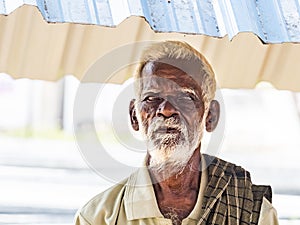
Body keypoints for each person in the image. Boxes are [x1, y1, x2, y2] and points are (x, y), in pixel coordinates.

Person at [74, 41, 279, 225]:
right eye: (152, 98)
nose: (166, 109)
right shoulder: (98, 218)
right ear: (134, 117)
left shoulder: (253, 212)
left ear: (210, 117)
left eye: (186, 98)